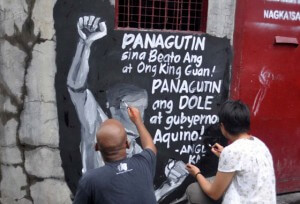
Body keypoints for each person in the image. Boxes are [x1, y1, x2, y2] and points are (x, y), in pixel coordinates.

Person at [67, 15, 188, 202]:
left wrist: (168, 186)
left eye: (143, 108)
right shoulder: (100, 125)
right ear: (112, 109)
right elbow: (76, 88)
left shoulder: (138, 154)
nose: (139, 113)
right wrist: (85, 44)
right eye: (133, 107)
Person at [185, 100, 276, 204]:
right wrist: (224, 154)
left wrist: (197, 173)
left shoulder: (231, 152)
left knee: (193, 190)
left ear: (223, 126)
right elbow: (245, 162)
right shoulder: (259, 144)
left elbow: (214, 194)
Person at [73, 106, 157, 204]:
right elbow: (150, 147)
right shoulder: (144, 163)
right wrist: (138, 121)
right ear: (127, 144)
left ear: (96, 148)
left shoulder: (90, 181)